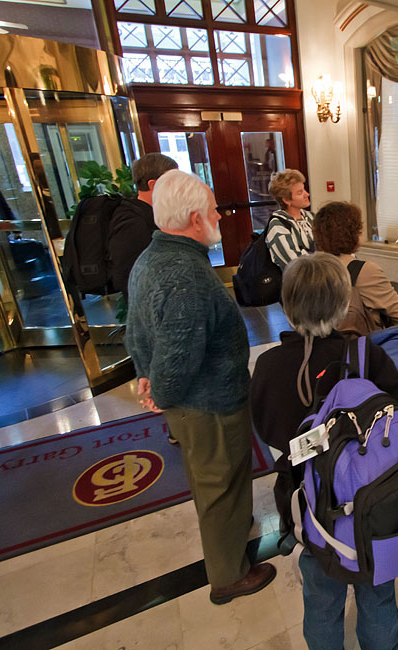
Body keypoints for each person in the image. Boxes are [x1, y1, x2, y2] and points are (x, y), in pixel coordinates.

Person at [250, 253, 398, 650]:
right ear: (343, 304)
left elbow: (264, 430)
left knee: (320, 600)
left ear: (287, 304)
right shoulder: (366, 356)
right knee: (378, 592)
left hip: (306, 506)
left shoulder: (269, 366)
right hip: (371, 505)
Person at [125, 170, 276, 606]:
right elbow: (177, 355)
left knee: (213, 478)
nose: (218, 216)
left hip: (193, 402)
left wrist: (146, 377)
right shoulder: (185, 273)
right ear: (194, 219)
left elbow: (134, 330)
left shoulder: (151, 257)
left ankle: (234, 533)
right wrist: (162, 391)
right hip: (208, 404)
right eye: (213, 210)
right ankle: (228, 575)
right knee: (218, 485)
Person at [313, 201, 398, 335]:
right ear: (353, 234)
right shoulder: (364, 271)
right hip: (358, 350)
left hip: (319, 349)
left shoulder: (308, 269)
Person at [109, 152, 179, 297]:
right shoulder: (131, 221)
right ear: (153, 185)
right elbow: (130, 275)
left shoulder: (153, 213)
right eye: (172, 182)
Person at [266, 168, 315, 270]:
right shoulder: (277, 227)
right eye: (300, 192)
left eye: (304, 189)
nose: (307, 194)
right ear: (286, 200)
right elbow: (295, 266)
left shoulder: (311, 217)